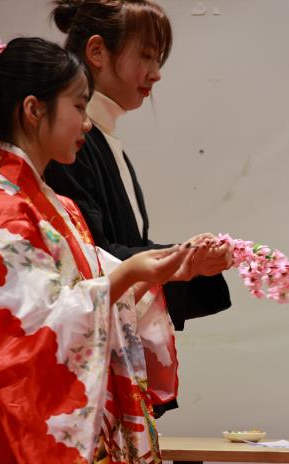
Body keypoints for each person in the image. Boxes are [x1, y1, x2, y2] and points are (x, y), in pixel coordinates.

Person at [0, 36, 190, 464]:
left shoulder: (56, 207)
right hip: (18, 440)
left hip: (53, 432)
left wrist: (167, 269)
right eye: (78, 106)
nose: (87, 123)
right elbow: (22, 337)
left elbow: (92, 288)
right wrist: (129, 275)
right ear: (34, 109)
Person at [45, 0, 232, 415]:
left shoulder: (100, 143)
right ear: (97, 52)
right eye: (146, 55)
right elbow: (91, 262)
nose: (156, 72)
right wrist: (181, 262)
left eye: (158, 58)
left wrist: (186, 261)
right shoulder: (72, 150)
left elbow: (113, 253)